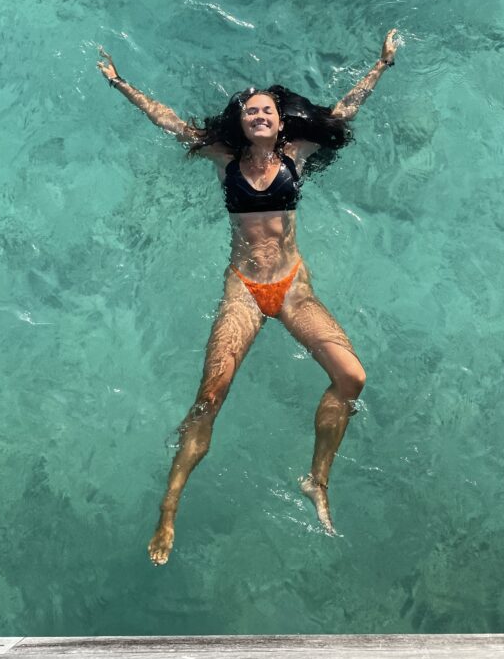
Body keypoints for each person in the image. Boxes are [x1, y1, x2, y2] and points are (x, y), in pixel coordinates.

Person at [97, 30, 399, 565]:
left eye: (268, 111)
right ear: (241, 122)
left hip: (292, 288)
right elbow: (167, 120)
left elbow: (343, 112)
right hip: (244, 289)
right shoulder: (223, 158)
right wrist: (123, 85)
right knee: (210, 398)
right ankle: (169, 508)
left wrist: (381, 65)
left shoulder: (296, 154)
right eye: (251, 112)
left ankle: (317, 480)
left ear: (281, 122)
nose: (260, 116)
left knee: (352, 377)